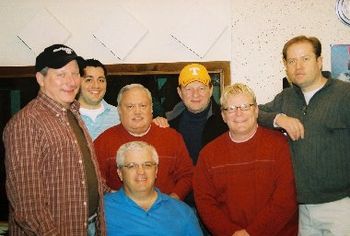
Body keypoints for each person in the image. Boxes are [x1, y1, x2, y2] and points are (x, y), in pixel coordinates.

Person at [2, 44, 106, 235]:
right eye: (61, 74)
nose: (71, 81)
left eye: (75, 74)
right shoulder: (26, 123)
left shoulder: (72, 113)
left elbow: (82, 173)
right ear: (41, 79)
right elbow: (27, 205)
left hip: (87, 226)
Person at [258, 35, 350, 235]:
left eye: (305, 58)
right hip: (302, 209)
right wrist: (279, 118)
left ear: (319, 61)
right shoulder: (286, 98)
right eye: (292, 61)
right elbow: (252, 112)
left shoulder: (345, 94)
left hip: (341, 206)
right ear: (285, 66)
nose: (298, 66)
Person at [193, 83, 298, 236]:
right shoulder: (208, 155)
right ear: (223, 115)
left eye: (245, 106)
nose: (238, 113)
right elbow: (205, 203)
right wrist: (231, 233)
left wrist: (252, 233)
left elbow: (286, 198)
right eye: (231, 109)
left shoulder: (280, 146)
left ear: (256, 110)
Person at [94, 83, 193, 200]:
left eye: (143, 105)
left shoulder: (172, 138)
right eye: (130, 106)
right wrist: (117, 202)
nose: (137, 112)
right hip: (122, 213)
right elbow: (95, 182)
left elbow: (187, 175)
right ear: (119, 110)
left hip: (166, 211)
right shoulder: (103, 142)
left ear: (151, 108)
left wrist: (172, 200)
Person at [104, 141, 203, 236]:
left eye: (147, 165)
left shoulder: (182, 211)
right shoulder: (103, 209)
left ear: (156, 171)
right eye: (131, 166)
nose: (141, 171)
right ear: (120, 173)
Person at [166, 63, 227, 165]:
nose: (195, 94)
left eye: (201, 88)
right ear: (180, 92)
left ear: (211, 90)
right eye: (189, 89)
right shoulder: (167, 124)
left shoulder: (227, 122)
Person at [78, 58, 120, 140]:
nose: (96, 85)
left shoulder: (119, 116)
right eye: (89, 80)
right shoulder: (67, 116)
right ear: (77, 82)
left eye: (101, 80)